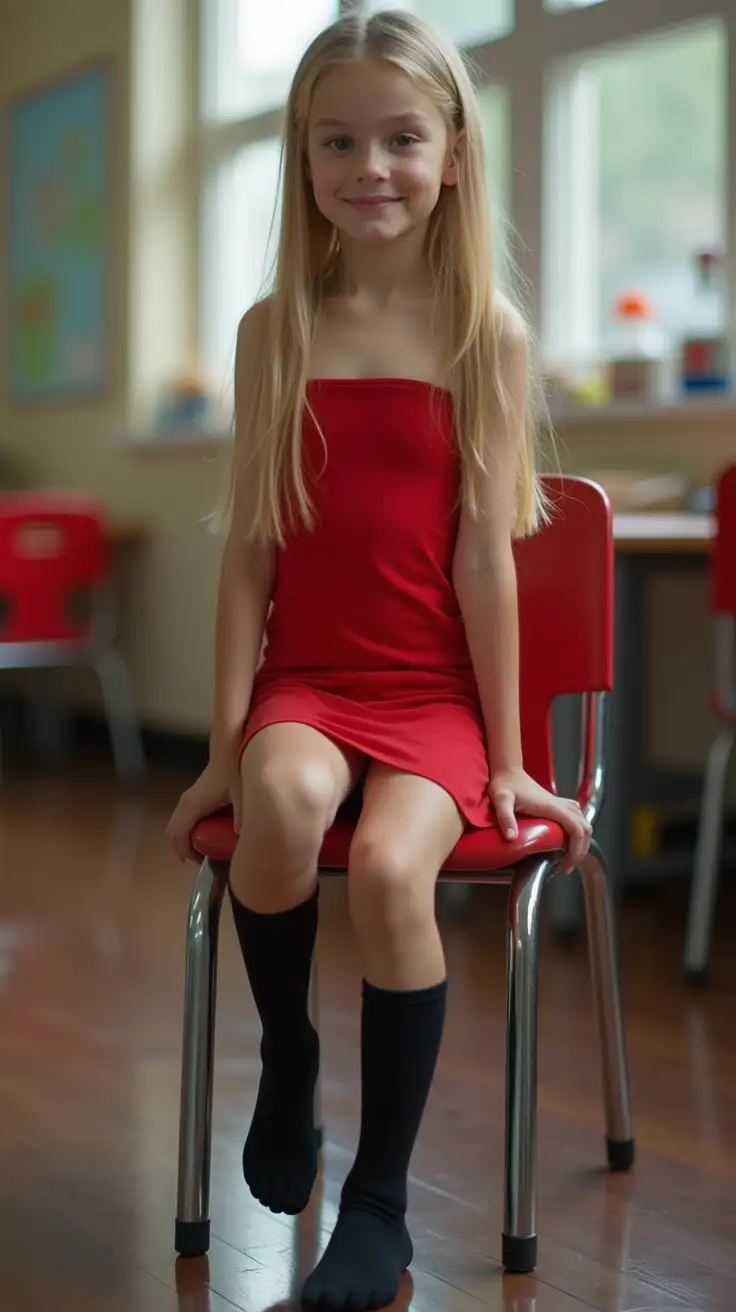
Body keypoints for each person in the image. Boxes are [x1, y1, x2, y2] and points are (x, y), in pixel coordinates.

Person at [167, 9, 592, 1309]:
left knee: (397, 874)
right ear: (303, 162)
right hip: (311, 683)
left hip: (434, 700)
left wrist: (511, 762)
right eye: (337, 140)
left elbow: (485, 560)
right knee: (283, 806)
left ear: (453, 154)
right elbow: (250, 551)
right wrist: (226, 744)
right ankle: (290, 1057)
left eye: (402, 138)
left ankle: (382, 1207)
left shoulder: (489, 338)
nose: (371, 166)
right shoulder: (272, 330)